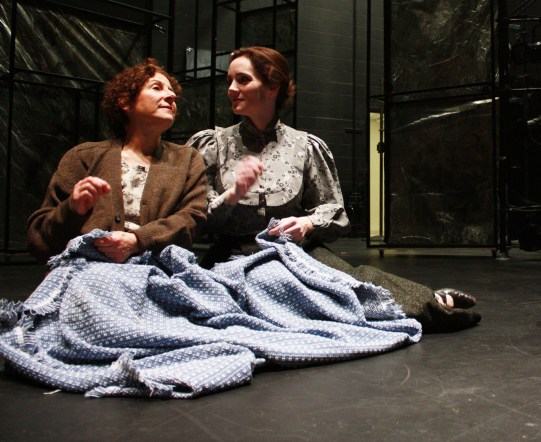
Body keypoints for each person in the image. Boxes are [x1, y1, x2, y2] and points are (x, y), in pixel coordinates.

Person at [187, 46, 480, 332]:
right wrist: (233, 194)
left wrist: (307, 223)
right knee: (285, 300)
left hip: (296, 252)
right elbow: (195, 219)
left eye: (243, 80)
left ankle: (432, 301)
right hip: (235, 255)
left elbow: (334, 210)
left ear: (273, 86)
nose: (231, 89)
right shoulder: (214, 145)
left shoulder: (305, 146)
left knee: (354, 286)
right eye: (229, 81)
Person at [27, 59, 208, 263]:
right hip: (87, 268)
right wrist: (72, 209)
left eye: (171, 92)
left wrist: (138, 240)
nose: (171, 96)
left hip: (156, 267)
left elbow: (193, 218)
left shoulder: (187, 159)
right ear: (125, 101)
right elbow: (39, 237)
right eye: (156, 88)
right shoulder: (84, 156)